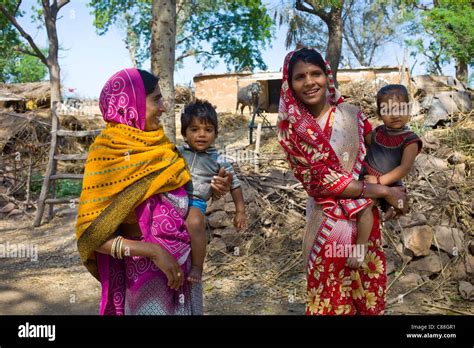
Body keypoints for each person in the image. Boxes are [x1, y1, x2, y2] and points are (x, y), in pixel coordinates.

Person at [75, 68, 230, 315]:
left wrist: (215, 190)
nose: (164, 107)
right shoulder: (108, 156)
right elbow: (93, 236)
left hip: (183, 270)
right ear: (133, 101)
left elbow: (188, 198)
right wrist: (153, 251)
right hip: (146, 277)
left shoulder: (162, 148)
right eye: (156, 99)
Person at [277, 48, 407, 315]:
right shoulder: (291, 131)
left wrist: (397, 189)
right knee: (330, 300)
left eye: (316, 73)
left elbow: (377, 159)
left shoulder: (352, 115)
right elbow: (320, 183)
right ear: (289, 84)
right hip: (326, 227)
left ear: (327, 76)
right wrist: (383, 190)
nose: (310, 82)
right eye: (300, 77)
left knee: (366, 295)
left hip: (364, 224)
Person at [346, 84, 422, 268]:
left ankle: (360, 249)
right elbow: (364, 138)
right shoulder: (378, 132)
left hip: (390, 182)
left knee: (400, 204)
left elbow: (404, 168)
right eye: (387, 110)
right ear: (379, 114)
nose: (395, 114)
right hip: (367, 178)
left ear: (409, 110)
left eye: (400, 108)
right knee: (365, 207)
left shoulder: (410, 139)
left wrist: (379, 183)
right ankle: (385, 209)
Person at [178, 99, 247, 283]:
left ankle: (197, 267)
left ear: (216, 134)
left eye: (208, 130)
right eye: (194, 129)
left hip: (194, 201)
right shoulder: (177, 153)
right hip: (173, 199)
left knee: (194, 222)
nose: (201, 135)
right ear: (184, 133)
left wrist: (240, 211)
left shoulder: (219, 160)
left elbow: (235, 185)